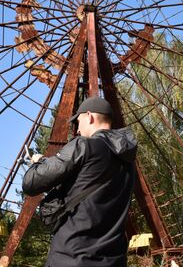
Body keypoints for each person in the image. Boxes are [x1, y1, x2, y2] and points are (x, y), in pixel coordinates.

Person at [22, 96, 138, 267]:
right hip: (114, 260)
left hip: (72, 257)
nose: (76, 130)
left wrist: (38, 162)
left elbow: (31, 183)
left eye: (78, 121)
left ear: (89, 116)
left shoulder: (84, 145)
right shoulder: (129, 163)